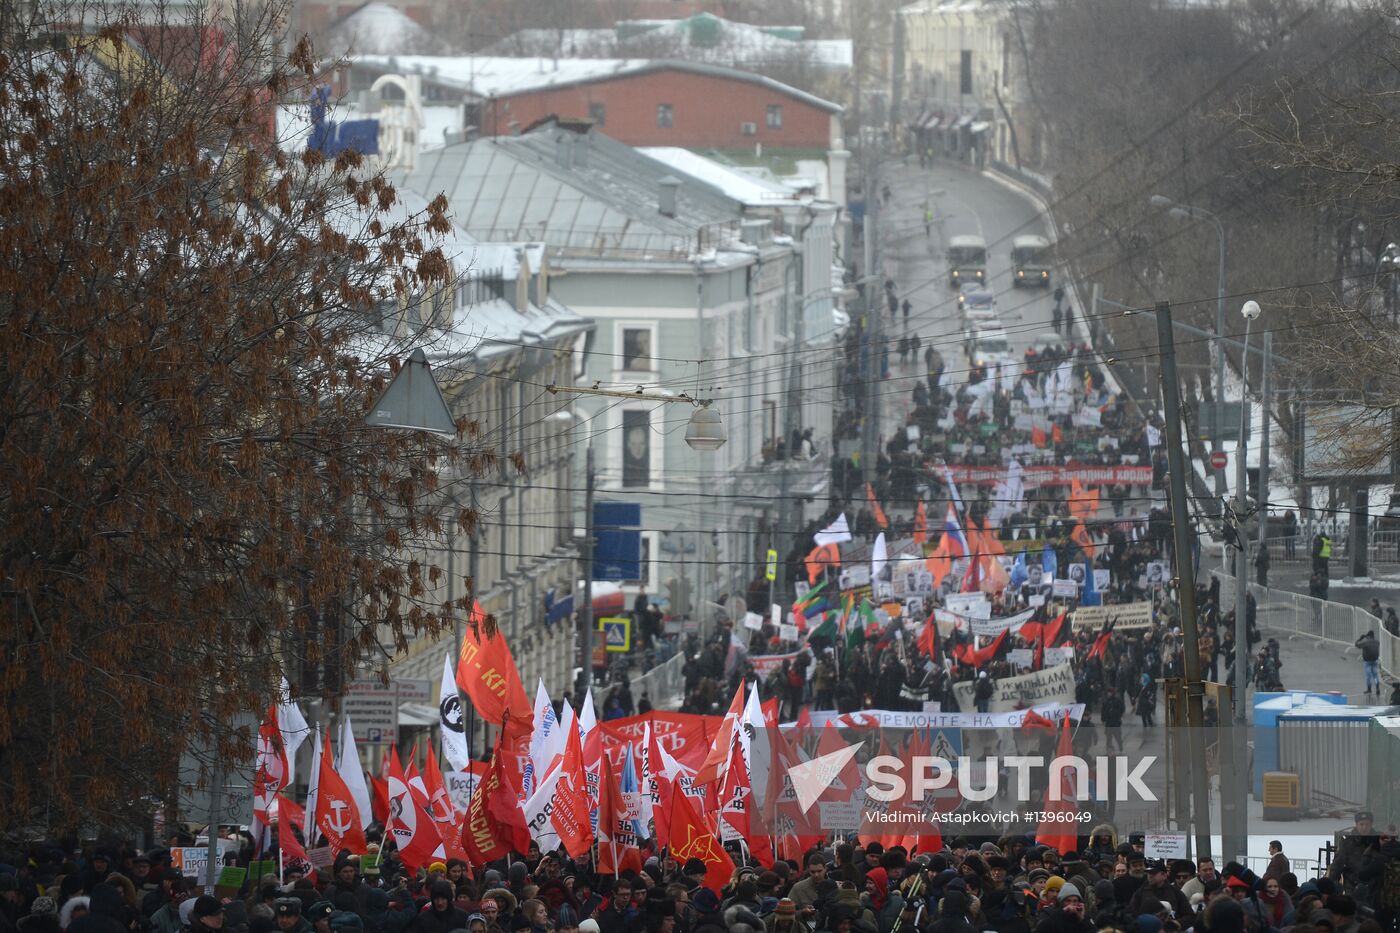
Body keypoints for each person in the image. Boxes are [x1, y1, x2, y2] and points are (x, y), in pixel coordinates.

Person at [1356, 630, 1382, 695]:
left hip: (1367, 661)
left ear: (1368, 636)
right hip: (1375, 661)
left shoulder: (1366, 642)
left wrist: (1360, 638)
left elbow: (1357, 645)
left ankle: (1369, 689)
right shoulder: (1377, 642)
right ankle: (1377, 688)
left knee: (1368, 676)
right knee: (1375, 675)